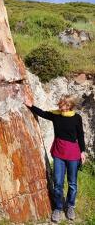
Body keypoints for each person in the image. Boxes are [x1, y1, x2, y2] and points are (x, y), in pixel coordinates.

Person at [27, 94, 86, 223]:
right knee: (58, 183)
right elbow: (42, 113)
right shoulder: (56, 115)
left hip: (73, 154)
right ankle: (58, 208)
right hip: (59, 152)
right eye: (60, 103)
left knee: (72, 183)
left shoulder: (77, 118)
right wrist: (30, 105)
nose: (60, 105)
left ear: (69, 105)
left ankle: (70, 206)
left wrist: (83, 151)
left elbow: (80, 135)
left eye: (63, 104)